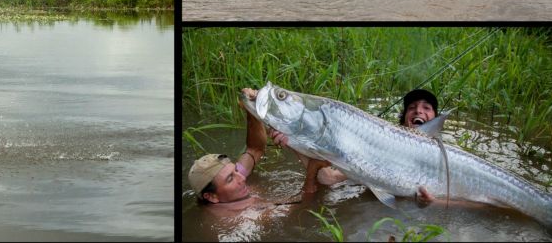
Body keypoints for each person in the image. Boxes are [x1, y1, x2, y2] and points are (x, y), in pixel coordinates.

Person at [271, 88, 439, 206]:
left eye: (426, 108)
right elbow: (328, 178)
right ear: (403, 119)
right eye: (412, 107)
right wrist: (291, 142)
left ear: (436, 120)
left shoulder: (442, 158)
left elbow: (464, 200)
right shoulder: (379, 144)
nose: (418, 111)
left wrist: (433, 202)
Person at [188, 88, 303, 212]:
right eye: (230, 179)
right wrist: (297, 144)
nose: (242, 178)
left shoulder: (226, 191)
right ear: (211, 197)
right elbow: (307, 204)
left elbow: (255, 149)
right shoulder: (244, 220)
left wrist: (251, 107)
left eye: (235, 171)